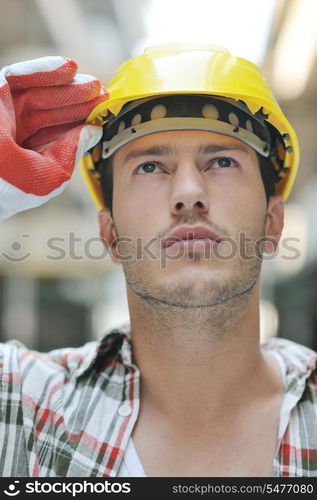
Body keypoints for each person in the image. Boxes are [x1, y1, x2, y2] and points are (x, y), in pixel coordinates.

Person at [0, 43, 316, 478]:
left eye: (222, 161)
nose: (189, 193)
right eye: (150, 167)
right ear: (111, 235)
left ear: (272, 223)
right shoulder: (24, 408)